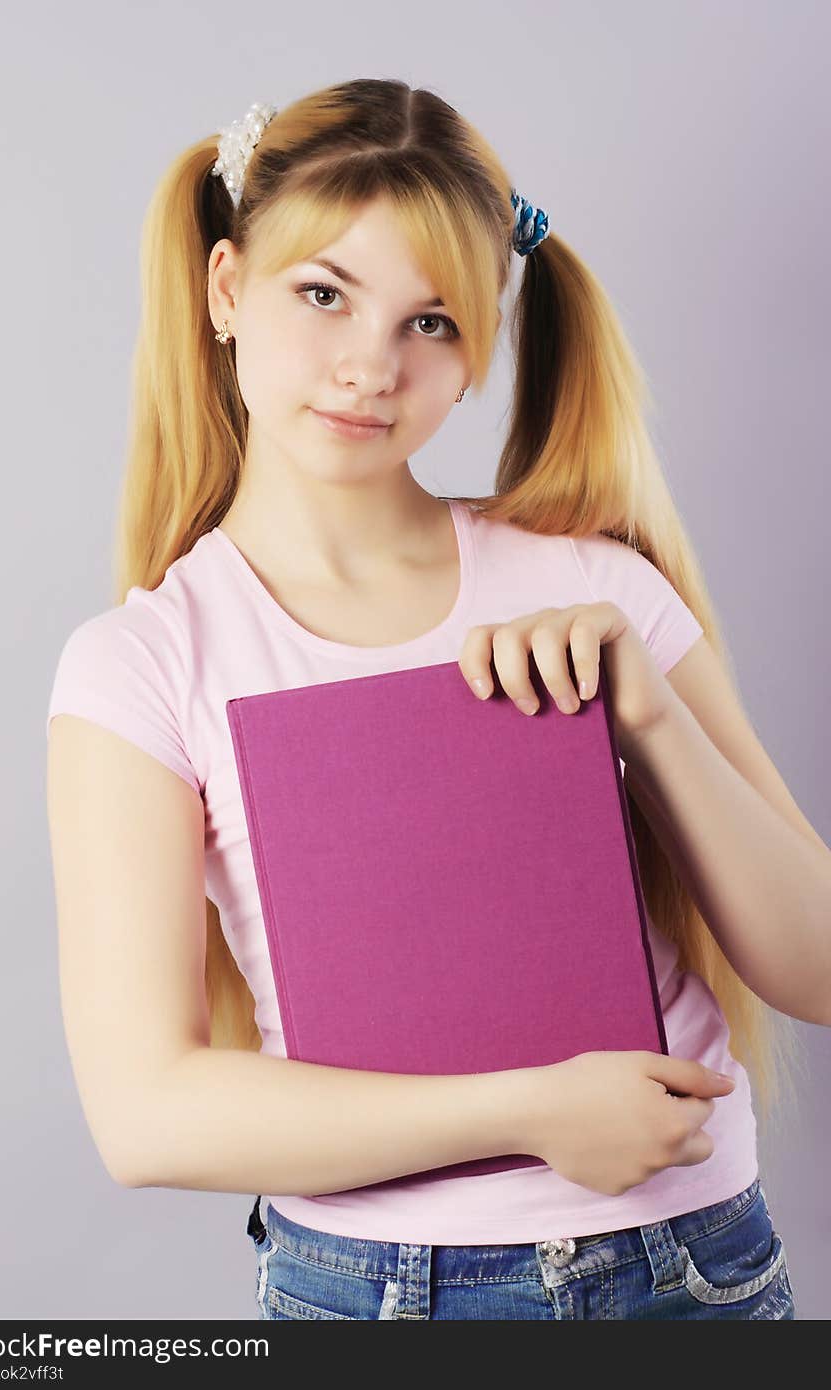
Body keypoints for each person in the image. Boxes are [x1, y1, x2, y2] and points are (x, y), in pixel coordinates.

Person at [45, 78, 824, 1320]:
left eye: (431, 322)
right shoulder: (145, 663)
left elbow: (815, 967)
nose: (368, 367)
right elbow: (147, 1113)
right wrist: (530, 1110)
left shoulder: (588, 579)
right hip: (381, 1291)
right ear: (226, 290)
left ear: (477, 354)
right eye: (322, 295)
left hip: (693, 1266)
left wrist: (650, 718)